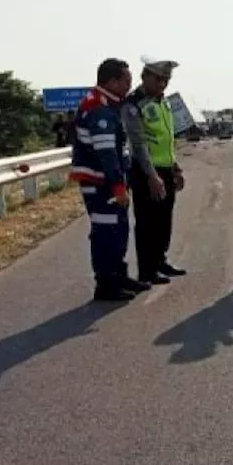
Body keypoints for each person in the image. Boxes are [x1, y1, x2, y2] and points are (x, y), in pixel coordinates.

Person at [69, 58, 151, 301]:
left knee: (119, 229)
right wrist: (118, 186)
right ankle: (106, 284)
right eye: (126, 81)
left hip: (108, 182)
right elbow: (106, 153)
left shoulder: (109, 104)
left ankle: (118, 275)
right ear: (113, 81)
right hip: (101, 184)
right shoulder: (99, 108)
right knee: (106, 232)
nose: (129, 85)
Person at [122, 56, 187, 285]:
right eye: (158, 78)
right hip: (145, 172)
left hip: (166, 169)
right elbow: (138, 144)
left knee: (164, 220)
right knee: (147, 223)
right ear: (145, 76)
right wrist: (152, 175)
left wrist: (176, 168)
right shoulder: (134, 104)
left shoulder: (164, 102)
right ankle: (147, 271)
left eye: (166, 79)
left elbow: (166, 140)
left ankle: (160, 261)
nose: (162, 83)